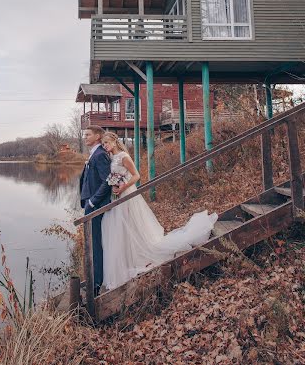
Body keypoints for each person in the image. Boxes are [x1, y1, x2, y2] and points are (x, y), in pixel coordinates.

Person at [101, 131, 218, 290]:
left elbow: (136, 176)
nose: (105, 146)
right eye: (103, 144)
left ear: (114, 142)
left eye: (107, 143)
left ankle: (139, 255)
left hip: (126, 193)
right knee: (123, 226)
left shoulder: (123, 156)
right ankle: (129, 258)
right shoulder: (112, 158)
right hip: (117, 195)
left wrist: (123, 186)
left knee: (132, 223)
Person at [79, 125, 111, 296]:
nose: (85, 137)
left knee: (96, 244)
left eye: (88, 134)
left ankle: (97, 283)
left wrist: (92, 201)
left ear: (98, 136)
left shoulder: (99, 155)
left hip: (96, 206)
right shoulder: (94, 153)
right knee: (93, 243)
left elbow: (108, 180)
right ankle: (94, 279)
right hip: (90, 205)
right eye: (84, 134)